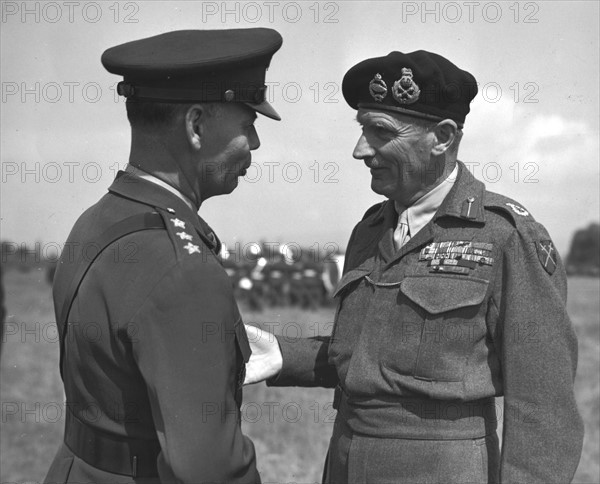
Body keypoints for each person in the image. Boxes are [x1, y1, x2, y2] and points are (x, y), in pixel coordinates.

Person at [245, 50, 584, 483]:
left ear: (442, 137)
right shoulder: (369, 231)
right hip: (345, 461)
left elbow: (543, 405)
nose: (359, 149)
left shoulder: (505, 236)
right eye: (361, 128)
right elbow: (370, 355)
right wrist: (281, 354)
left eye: (380, 132)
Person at [45, 28, 282, 483]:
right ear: (195, 126)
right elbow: (211, 470)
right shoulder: (182, 267)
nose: (254, 145)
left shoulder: (97, 220)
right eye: (247, 125)